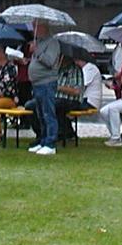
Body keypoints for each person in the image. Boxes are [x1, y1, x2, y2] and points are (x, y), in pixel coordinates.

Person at [27, 20, 61, 156]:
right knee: (40, 114)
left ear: (43, 27)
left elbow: (49, 61)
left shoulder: (52, 43)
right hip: (37, 83)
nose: (33, 29)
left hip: (47, 82)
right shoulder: (39, 43)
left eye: (35, 26)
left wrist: (37, 52)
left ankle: (50, 143)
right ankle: (43, 139)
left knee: (48, 113)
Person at [53, 53, 84, 142]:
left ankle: (61, 133)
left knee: (55, 105)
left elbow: (77, 91)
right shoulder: (58, 70)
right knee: (33, 104)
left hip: (72, 100)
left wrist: (59, 88)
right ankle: (41, 133)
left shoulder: (76, 70)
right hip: (56, 98)